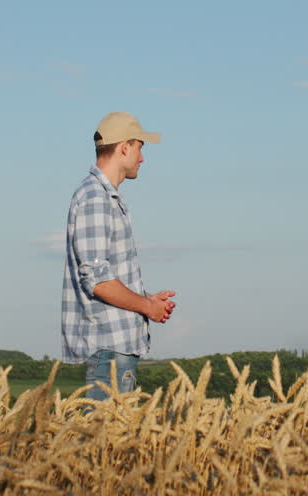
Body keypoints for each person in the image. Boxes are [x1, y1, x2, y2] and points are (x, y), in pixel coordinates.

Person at [61, 111, 176, 401]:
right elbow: (98, 282)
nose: (142, 158)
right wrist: (147, 308)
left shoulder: (104, 197)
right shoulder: (95, 199)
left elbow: (107, 275)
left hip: (115, 347)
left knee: (110, 442)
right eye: (139, 148)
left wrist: (147, 299)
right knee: (101, 441)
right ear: (124, 147)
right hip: (109, 348)